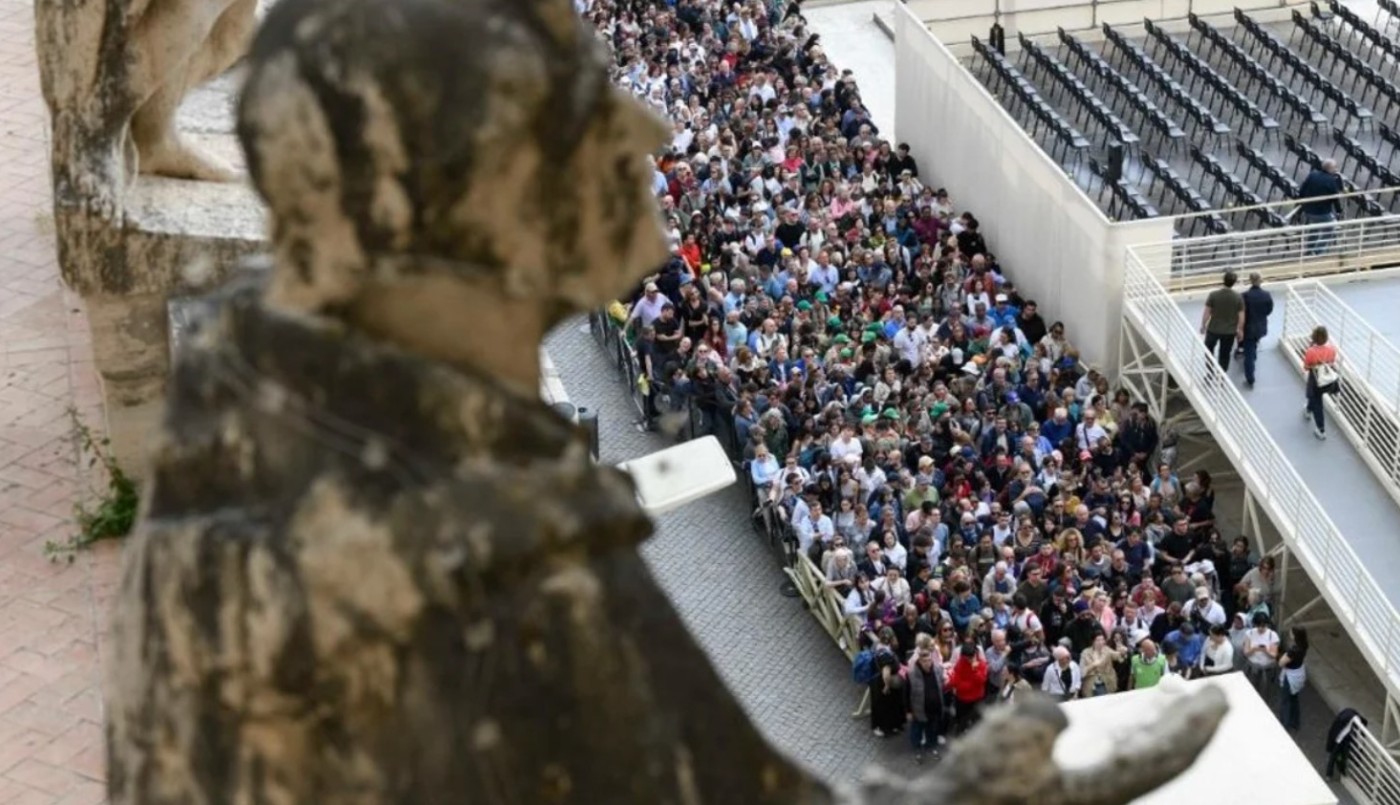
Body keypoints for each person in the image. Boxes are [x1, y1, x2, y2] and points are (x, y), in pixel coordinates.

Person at [905, 642, 946, 764]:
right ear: (919, 661)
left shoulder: (937, 670)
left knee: (931, 730)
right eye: (925, 661)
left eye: (929, 660)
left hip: (934, 709)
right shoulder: (911, 675)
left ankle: (931, 746)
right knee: (917, 731)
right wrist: (908, 711)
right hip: (919, 711)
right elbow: (906, 695)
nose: (928, 663)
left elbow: (941, 685)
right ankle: (917, 749)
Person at [1298, 159, 1345, 254]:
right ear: (1330, 169)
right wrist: (1339, 211)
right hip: (1322, 212)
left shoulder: (1312, 175)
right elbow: (1335, 198)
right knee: (1330, 229)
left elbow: (1302, 191)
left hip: (1308, 210)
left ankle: (1309, 250)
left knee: (1314, 228)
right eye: (1335, 168)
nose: (1336, 170)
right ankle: (1318, 250)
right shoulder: (1331, 180)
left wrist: (1303, 203)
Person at [1200, 271, 1243, 373]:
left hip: (1213, 329)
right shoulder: (1238, 297)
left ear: (1223, 280)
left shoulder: (1213, 295)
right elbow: (1241, 316)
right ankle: (1222, 374)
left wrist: (1203, 325)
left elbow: (1207, 312)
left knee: (1209, 350)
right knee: (1225, 354)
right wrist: (1240, 330)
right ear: (1234, 282)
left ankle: (1210, 370)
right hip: (1229, 331)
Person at [1303, 325, 1340, 441]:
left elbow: (1306, 367)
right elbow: (1332, 362)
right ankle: (1308, 409)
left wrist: (1314, 364)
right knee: (1314, 398)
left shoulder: (1311, 351)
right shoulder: (1332, 349)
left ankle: (1321, 429)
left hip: (1316, 379)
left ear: (1314, 337)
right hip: (1328, 380)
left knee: (1317, 401)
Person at [1239, 273, 1274, 389]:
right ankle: (1253, 356)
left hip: (1248, 328)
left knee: (1248, 354)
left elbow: (1241, 312)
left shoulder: (1244, 296)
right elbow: (1269, 310)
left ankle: (1250, 378)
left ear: (1250, 281)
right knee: (1253, 345)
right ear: (1260, 281)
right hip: (1261, 327)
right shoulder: (1266, 295)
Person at [1278, 626, 1309, 731]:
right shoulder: (1304, 645)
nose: (1290, 634)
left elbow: (1281, 663)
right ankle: (1295, 722)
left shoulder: (1293, 650)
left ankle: (1285, 724)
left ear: (1295, 636)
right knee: (1294, 698)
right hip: (1299, 673)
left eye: (1292, 633)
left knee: (1285, 701)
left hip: (1290, 676)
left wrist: (1282, 655)